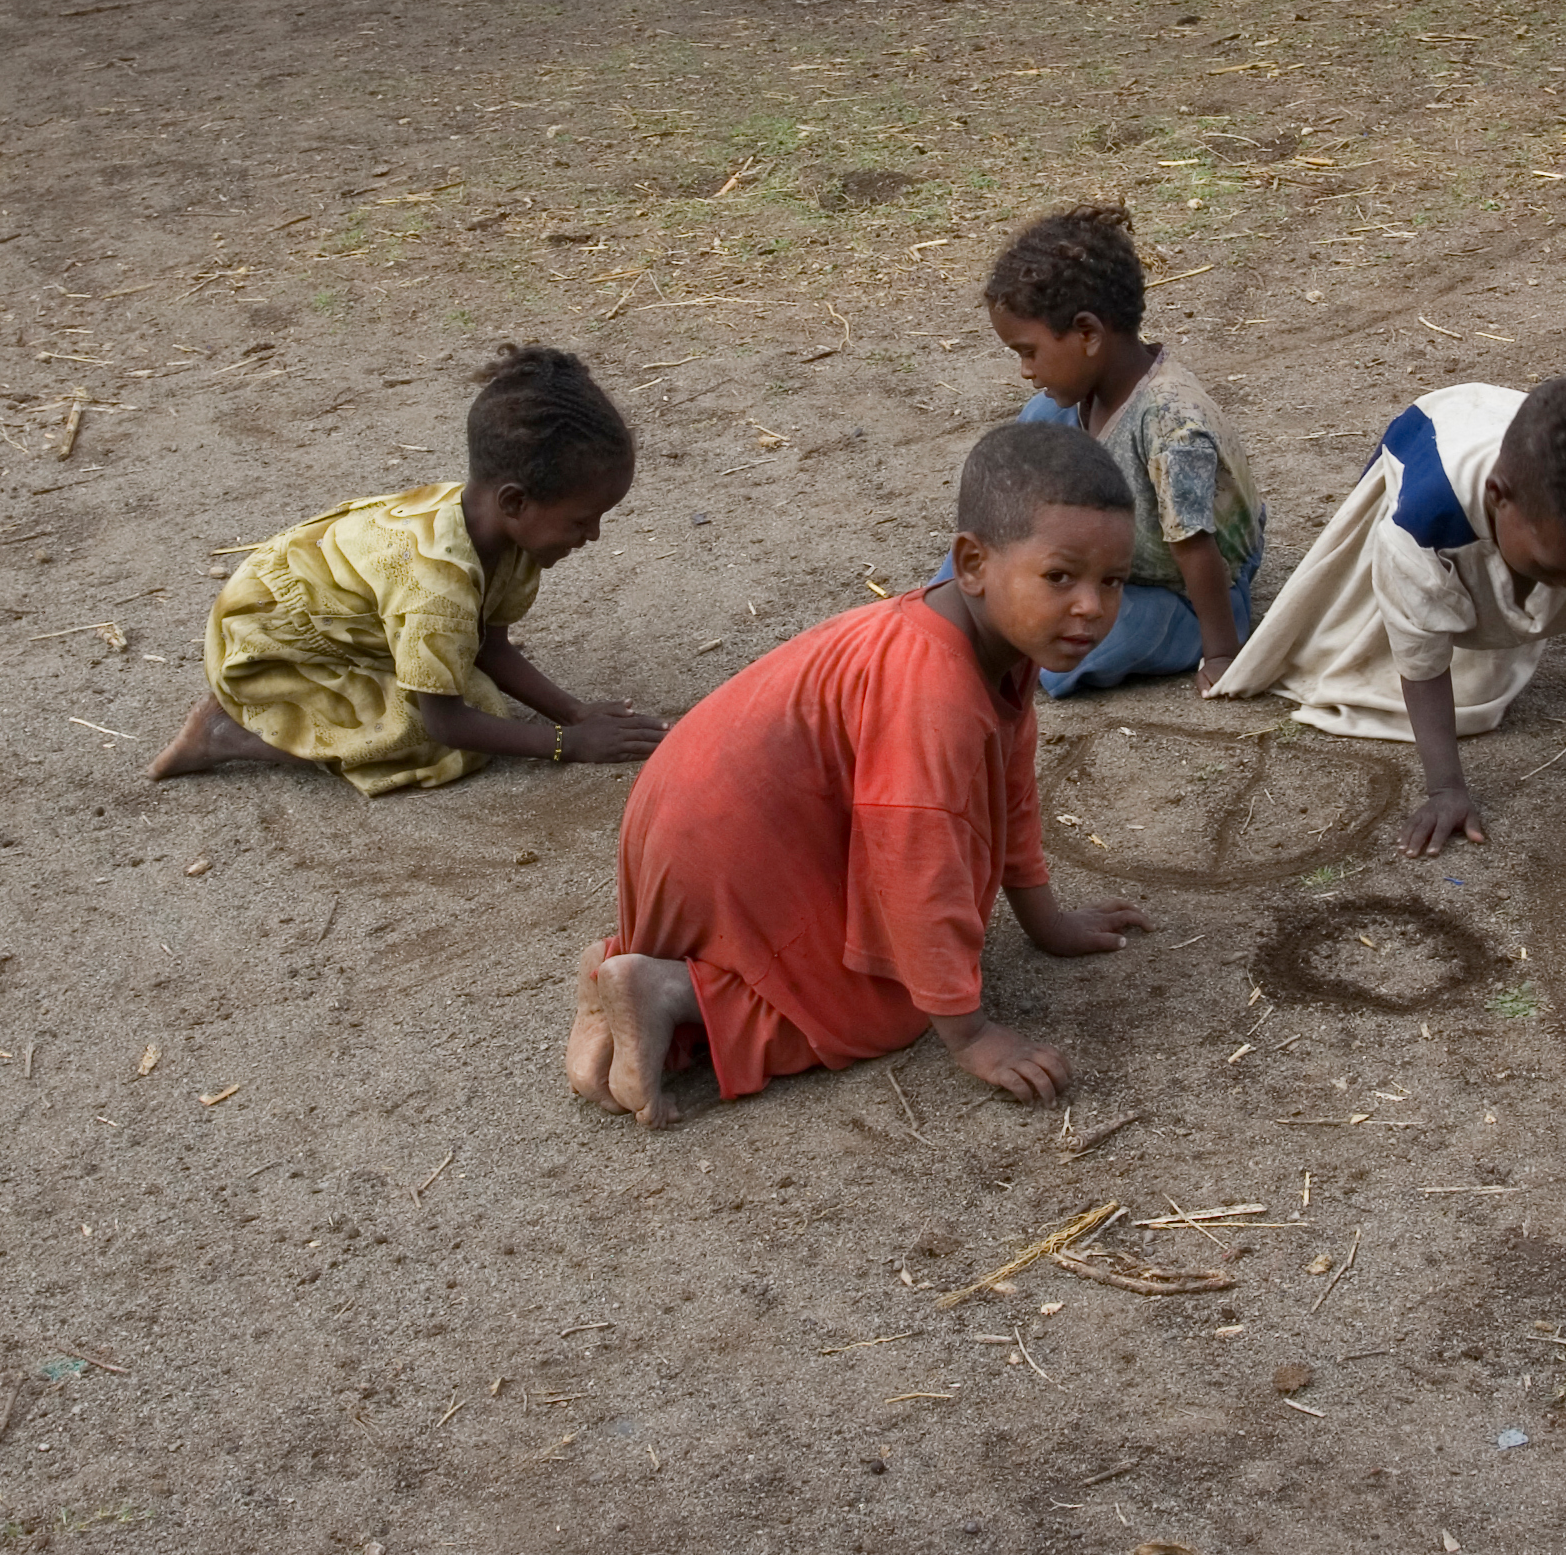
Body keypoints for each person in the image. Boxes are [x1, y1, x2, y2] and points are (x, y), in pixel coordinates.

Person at [567, 420, 1154, 1128]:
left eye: (1113, 581)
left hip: (710, 821)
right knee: (893, 1010)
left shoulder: (990, 636)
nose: (1091, 607)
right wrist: (969, 1035)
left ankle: (639, 975)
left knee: (911, 951)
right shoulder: (934, 688)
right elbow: (919, 866)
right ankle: (670, 990)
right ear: (971, 563)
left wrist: (1046, 921)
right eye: (1060, 576)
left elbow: (1010, 786)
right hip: (719, 847)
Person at [1205, 372, 1566, 856]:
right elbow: (1420, 659)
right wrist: (1445, 788)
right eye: (1553, 568)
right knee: (1369, 641)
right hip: (1428, 434)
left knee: (1525, 601)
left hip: (1524, 463)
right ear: (1498, 499)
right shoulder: (1418, 523)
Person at [147, 345, 665, 795]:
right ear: (515, 502)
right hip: (272, 643)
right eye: (582, 520)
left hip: (335, 621)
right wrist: (565, 743)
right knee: (444, 737)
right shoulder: (435, 585)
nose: (593, 535)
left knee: (469, 683)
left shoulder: (499, 530)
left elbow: (489, 642)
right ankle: (229, 733)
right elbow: (447, 724)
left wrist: (573, 711)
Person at [970, 204, 1265, 695]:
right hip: (1132, 554)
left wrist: (1221, 654)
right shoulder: (1090, 391)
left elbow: (1195, 550)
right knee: (1037, 426)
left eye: (1029, 351)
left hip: (1189, 591)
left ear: (1087, 334)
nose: (1025, 370)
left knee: (1060, 660)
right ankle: (967, 600)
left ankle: (1007, 614)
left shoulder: (1171, 426)